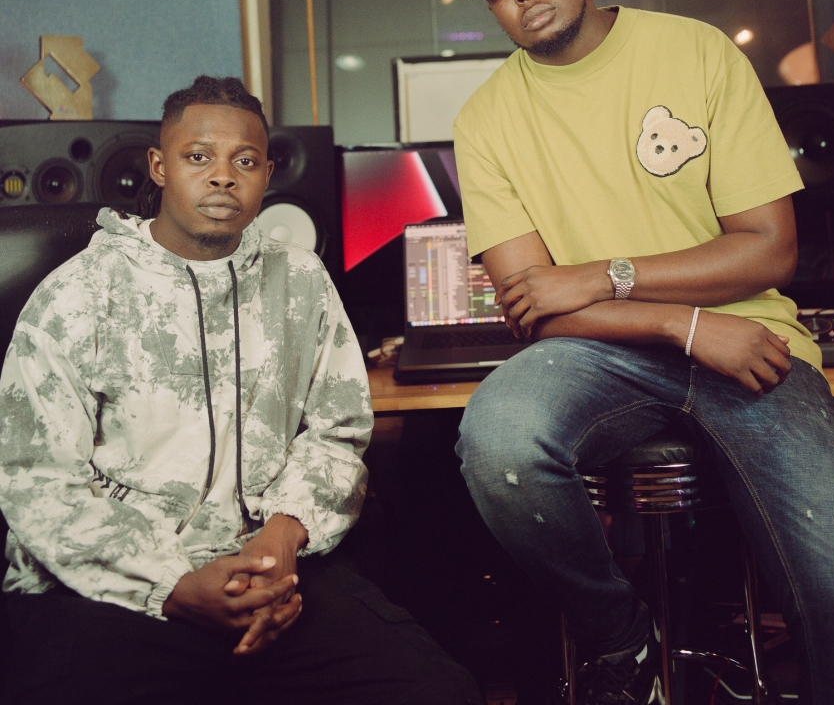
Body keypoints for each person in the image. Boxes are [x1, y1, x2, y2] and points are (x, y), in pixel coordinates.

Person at [453, 0, 834, 705]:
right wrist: (684, 324)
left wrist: (601, 275)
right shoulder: (486, 118)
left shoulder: (694, 51)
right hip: (604, 355)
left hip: (751, 343)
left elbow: (768, 247)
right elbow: (534, 307)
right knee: (498, 441)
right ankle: (621, 640)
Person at [0, 75, 481, 705]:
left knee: (441, 693)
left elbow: (336, 433)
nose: (223, 176)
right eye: (198, 157)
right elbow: (37, 480)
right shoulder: (76, 294)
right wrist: (175, 586)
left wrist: (280, 540)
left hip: (268, 570)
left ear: (267, 174)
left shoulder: (302, 279)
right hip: (113, 582)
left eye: (245, 161)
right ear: (160, 167)